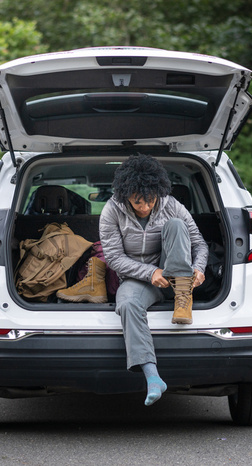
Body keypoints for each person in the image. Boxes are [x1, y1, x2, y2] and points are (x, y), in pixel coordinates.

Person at [99, 154, 208, 406]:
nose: (145, 206)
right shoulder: (111, 211)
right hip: (140, 279)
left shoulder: (171, 204)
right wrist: (149, 273)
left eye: (150, 200)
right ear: (125, 194)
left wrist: (198, 268)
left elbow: (199, 244)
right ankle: (153, 377)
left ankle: (183, 296)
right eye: (138, 201)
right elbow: (114, 258)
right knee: (126, 304)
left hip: (176, 274)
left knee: (177, 226)